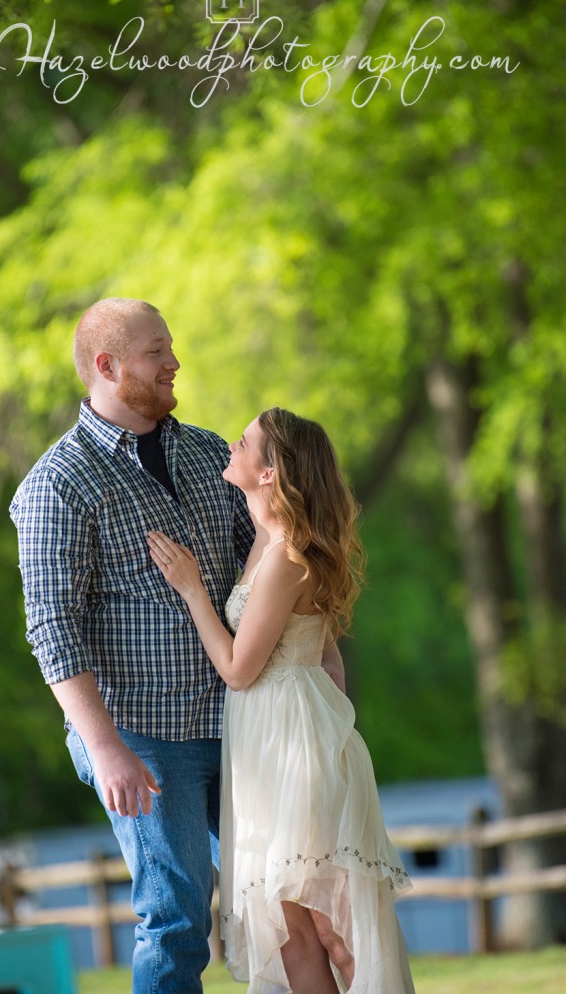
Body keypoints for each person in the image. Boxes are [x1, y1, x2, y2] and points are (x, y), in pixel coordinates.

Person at [9, 298, 255, 994]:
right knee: (176, 918)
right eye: (157, 352)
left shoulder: (211, 454)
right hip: (141, 737)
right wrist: (105, 745)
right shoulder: (58, 483)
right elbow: (52, 625)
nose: (174, 363)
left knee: (277, 894)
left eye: (170, 347)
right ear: (108, 366)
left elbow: (266, 570)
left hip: (237, 719)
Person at [147, 408, 416, 994]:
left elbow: (239, 671)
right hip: (272, 743)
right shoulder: (268, 544)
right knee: (291, 927)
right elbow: (328, 658)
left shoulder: (287, 555)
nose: (231, 446)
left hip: (291, 747)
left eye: (244, 443)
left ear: (269, 473)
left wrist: (192, 588)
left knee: (331, 925)